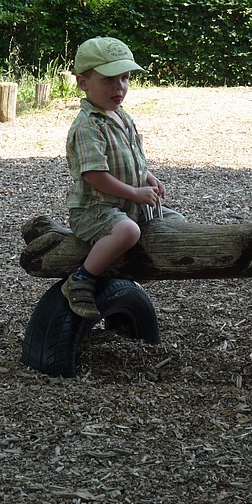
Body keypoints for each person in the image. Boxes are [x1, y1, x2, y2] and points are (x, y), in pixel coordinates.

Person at [62, 36, 185, 320]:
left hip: (126, 204)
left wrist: (148, 177)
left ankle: (133, 269)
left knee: (175, 224)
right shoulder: (88, 126)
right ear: (83, 83)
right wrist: (135, 193)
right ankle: (82, 279)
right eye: (109, 80)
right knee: (128, 232)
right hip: (95, 209)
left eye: (125, 78)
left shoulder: (122, 116)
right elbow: (95, 176)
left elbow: (132, 159)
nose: (120, 87)